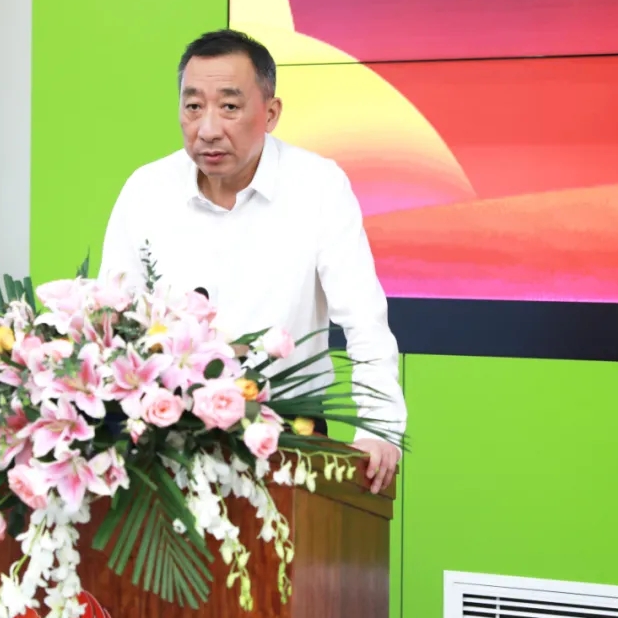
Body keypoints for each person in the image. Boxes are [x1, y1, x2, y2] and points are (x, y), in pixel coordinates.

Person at [98, 29, 406, 494]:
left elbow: (364, 321)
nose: (207, 129)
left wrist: (379, 429)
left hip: (286, 436)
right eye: (193, 106)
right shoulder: (147, 190)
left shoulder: (318, 187)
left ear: (271, 113)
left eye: (229, 106)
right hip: (165, 440)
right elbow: (110, 319)